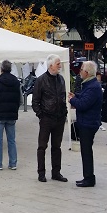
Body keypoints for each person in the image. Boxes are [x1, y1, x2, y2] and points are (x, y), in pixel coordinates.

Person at [32, 54, 68, 183]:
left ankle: (56, 172)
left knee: (56, 147)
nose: (60, 65)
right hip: (46, 118)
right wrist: (41, 115)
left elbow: (63, 97)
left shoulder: (61, 79)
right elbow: (35, 101)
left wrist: (65, 113)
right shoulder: (41, 80)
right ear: (51, 65)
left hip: (59, 118)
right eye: (58, 63)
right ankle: (41, 173)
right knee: (42, 147)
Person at [69, 60, 102, 187]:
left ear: (87, 73)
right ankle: (88, 176)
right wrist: (75, 95)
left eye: (82, 69)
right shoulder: (89, 85)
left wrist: (73, 100)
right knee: (85, 150)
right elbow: (83, 97)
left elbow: (83, 104)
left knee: (86, 151)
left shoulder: (93, 87)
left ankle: (89, 178)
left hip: (88, 123)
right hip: (87, 122)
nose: (80, 72)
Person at [0, 60, 22, 170]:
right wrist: (15, 108)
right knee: (11, 140)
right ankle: (13, 163)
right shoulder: (16, 82)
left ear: (1, 69)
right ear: (10, 68)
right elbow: (21, 100)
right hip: (12, 115)